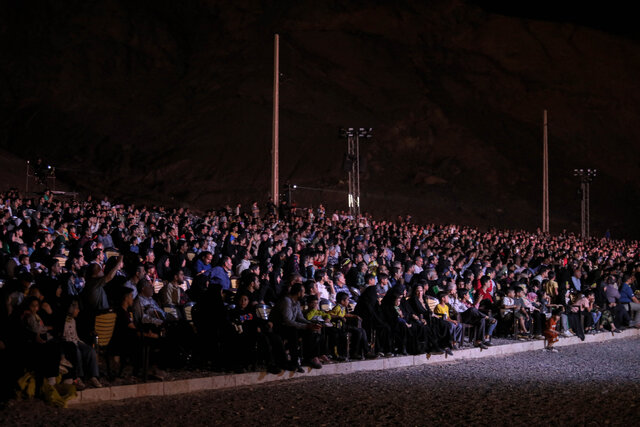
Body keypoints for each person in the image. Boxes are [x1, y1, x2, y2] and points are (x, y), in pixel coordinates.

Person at [270, 282, 323, 371]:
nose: (304, 294)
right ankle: (294, 362)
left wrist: (310, 324)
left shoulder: (297, 303)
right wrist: (306, 326)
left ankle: (309, 358)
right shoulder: (286, 301)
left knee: (311, 331)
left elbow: (300, 317)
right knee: (293, 332)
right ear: (298, 293)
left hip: (289, 326)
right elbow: (288, 321)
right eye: (303, 292)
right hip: (279, 327)